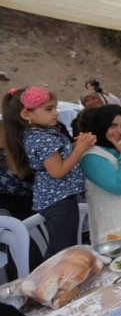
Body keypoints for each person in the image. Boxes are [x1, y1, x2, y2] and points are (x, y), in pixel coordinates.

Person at [2, 87, 97, 258]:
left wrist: (77, 145)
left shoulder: (39, 133)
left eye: (55, 107)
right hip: (58, 199)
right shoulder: (42, 138)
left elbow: (57, 158)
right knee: (64, 249)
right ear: (26, 114)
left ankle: (52, 278)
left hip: (55, 197)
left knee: (58, 246)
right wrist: (80, 148)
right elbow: (58, 171)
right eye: (48, 109)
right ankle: (56, 280)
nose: (55, 113)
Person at [79, 105, 121, 245]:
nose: (120, 131)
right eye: (113, 126)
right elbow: (119, 186)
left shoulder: (117, 147)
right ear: (101, 125)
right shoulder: (91, 156)